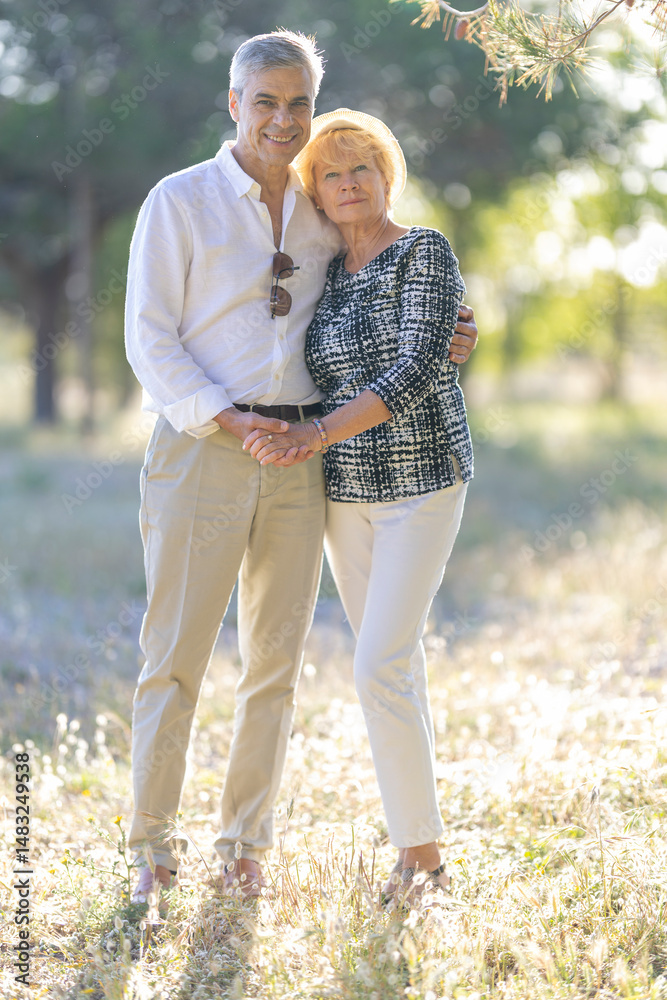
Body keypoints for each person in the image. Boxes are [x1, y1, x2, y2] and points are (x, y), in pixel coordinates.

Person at [124, 31, 478, 904]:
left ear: (310, 110)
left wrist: (453, 335)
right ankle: (150, 850)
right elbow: (148, 338)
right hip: (206, 446)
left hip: (300, 457)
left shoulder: (326, 207)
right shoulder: (180, 201)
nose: (282, 120)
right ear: (233, 103)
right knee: (175, 657)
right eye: (265, 101)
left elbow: (388, 291)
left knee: (274, 664)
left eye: (298, 104)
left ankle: (244, 844)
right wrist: (229, 416)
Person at [244, 109, 473, 905]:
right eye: (330, 175)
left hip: (423, 481)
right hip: (345, 491)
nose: (347, 185)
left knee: (377, 661)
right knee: (391, 668)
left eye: (360, 170)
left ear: (386, 177)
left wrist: (314, 434)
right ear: (316, 190)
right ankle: (419, 848)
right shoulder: (321, 272)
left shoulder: (423, 251)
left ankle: (421, 857)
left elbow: (417, 368)